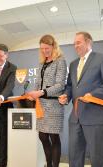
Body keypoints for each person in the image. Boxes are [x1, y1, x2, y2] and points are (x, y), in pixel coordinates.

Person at [59, 31, 103, 167]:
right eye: (74, 43)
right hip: (76, 117)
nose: (75, 46)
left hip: (95, 116)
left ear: (88, 42)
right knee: (74, 157)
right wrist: (66, 96)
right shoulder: (73, 64)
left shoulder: (102, 58)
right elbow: (70, 86)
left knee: (97, 158)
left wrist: (93, 95)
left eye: (78, 42)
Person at [27, 34, 67, 167]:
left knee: (54, 137)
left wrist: (42, 92)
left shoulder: (60, 61)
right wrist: (33, 94)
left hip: (54, 105)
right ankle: (48, 164)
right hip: (41, 105)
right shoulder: (41, 63)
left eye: (47, 48)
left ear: (53, 46)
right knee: (43, 137)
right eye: (42, 48)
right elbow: (38, 83)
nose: (44, 51)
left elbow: (60, 85)